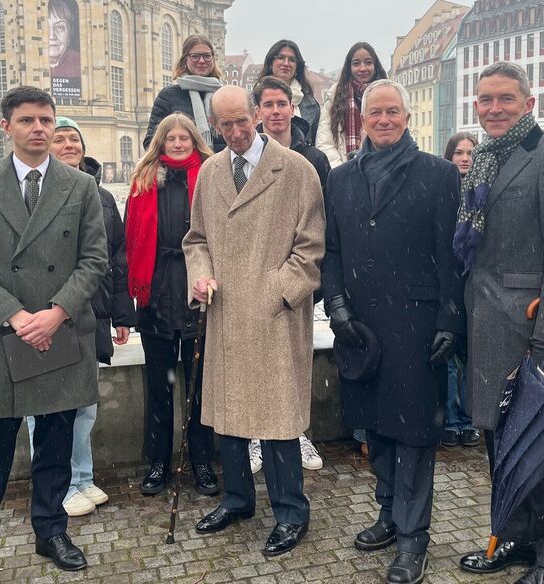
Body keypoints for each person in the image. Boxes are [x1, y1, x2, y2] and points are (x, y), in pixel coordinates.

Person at [0, 86, 108, 584]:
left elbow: (94, 259)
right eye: (27, 120)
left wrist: (56, 312)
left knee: (55, 451)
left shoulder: (79, 187)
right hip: (1, 338)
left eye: (45, 120)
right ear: (7, 127)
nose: (38, 128)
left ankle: (51, 532)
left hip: (60, 334)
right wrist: (16, 316)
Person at [322, 79, 464, 584]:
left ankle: (412, 538)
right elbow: (331, 251)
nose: (383, 120)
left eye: (392, 112)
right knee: (375, 426)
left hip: (417, 325)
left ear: (407, 117)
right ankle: (388, 512)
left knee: (415, 432)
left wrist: (449, 318)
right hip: (362, 325)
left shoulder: (439, 174)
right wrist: (336, 305)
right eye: (375, 112)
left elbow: (451, 254)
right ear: (362, 118)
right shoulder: (341, 179)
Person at [454, 62, 544, 584]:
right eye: (485, 99)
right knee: (499, 439)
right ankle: (516, 535)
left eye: (505, 99)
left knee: (541, 448)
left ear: (528, 104)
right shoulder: (485, 158)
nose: (494, 109)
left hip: (528, 328)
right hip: (486, 324)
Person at [183, 85, 325, 557]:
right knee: (229, 416)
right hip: (225, 311)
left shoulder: (297, 170)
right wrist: (200, 276)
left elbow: (311, 249)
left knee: (278, 420)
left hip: (275, 316)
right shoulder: (210, 172)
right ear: (214, 126)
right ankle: (238, 500)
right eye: (226, 124)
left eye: (242, 120)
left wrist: (277, 293)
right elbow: (196, 239)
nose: (236, 131)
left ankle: (291, 512)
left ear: (257, 115)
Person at [24, 116, 136, 518]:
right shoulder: (34, 192)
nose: (69, 144)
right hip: (47, 315)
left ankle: (82, 477)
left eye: (74, 139)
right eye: (61, 138)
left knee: (84, 402)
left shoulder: (101, 197)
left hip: (92, 312)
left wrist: (122, 314)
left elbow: (116, 257)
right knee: (44, 404)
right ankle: (57, 485)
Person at [125, 113, 220, 499]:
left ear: (194, 141)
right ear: (160, 143)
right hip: (157, 287)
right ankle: (158, 461)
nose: (178, 144)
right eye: (171, 139)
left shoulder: (211, 175)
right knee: (159, 384)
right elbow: (130, 238)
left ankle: (201, 459)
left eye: (184, 138)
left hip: (198, 284)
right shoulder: (145, 180)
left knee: (199, 385)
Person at [245, 75, 330, 473]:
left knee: (295, 362)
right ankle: (255, 436)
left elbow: (320, 222)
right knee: (254, 362)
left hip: (295, 278)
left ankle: (298, 433)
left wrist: (298, 281)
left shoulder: (312, 159)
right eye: (269, 105)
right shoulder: (244, 157)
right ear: (257, 112)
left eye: (282, 104)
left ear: (292, 108)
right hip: (251, 280)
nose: (276, 111)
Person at [441, 132, 480, 449]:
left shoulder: (484, 190)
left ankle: (469, 420)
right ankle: (451, 420)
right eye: (459, 152)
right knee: (450, 360)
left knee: (472, 358)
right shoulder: (441, 190)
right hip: (449, 285)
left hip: (476, 285)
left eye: (470, 153)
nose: (465, 158)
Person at [143, 34, 225, 152]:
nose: (202, 61)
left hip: (220, 163)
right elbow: (150, 142)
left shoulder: (225, 95)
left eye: (207, 56)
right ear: (185, 59)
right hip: (184, 164)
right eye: (195, 56)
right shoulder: (168, 96)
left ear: (213, 58)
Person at [316, 42, 388, 168]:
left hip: (383, 169)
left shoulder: (388, 94)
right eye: (356, 63)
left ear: (375, 65)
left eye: (368, 62)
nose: (363, 68)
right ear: (349, 67)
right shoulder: (335, 95)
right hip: (344, 170)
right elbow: (324, 141)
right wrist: (342, 171)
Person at [259, 40, 321, 136]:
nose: (286, 63)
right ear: (271, 63)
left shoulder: (311, 105)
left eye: (292, 60)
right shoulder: (252, 101)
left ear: (297, 66)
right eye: (281, 57)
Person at [49, 0, 81, 79]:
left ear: (69, 35)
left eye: (59, 27)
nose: (52, 36)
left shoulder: (79, 63)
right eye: (45, 27)